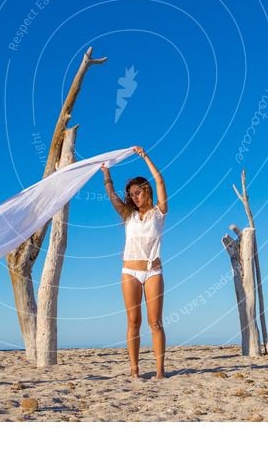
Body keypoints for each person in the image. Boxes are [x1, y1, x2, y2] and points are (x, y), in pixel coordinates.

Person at [101, 145, 168, 379]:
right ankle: (134, 369)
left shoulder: (158, 213)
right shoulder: (128, 216)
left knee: (155, 322)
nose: (134, 197)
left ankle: (160, 371)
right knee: (133, 321)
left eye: (137, 192)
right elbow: (112, 196)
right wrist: (106, 173)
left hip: (153, 271)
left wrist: (145, 156)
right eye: (131, 194)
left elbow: (160, 181)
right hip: (129, 270)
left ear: (146, 190)